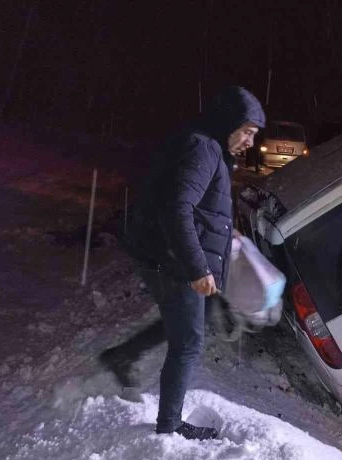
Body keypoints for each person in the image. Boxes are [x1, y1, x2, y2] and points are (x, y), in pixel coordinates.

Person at [102, 86, 265, 440]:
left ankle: (122, 356)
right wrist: (198, 268)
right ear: (230, 122)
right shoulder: (203, 149)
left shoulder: (211, 147)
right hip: (174, 262)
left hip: (170, 256)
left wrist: (227, 233)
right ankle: (169, 425)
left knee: (191, 321)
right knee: (188, 342)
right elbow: (177, 209)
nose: (251, 142)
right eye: (248, 132)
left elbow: (203, 208)